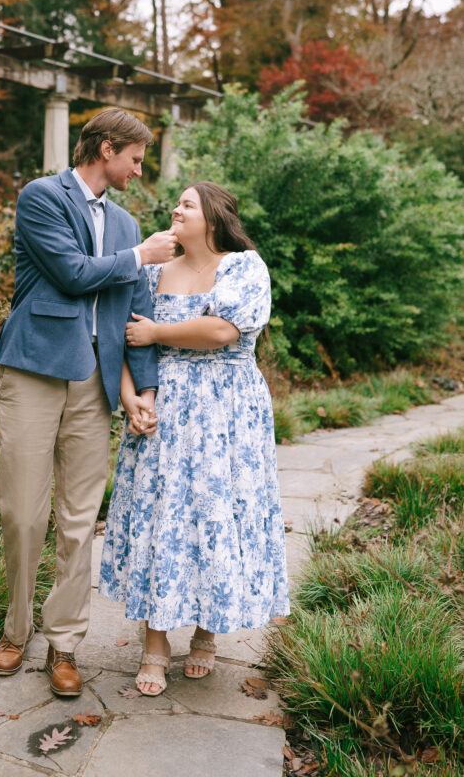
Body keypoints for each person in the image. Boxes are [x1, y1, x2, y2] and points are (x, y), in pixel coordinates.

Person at [0, 108, 176, 698]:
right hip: (35, 368)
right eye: (135, 159)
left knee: (79, 521)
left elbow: (132, 314)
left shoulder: (127, 226)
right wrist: (142, 257)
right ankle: (15, 627)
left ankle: (64, 644)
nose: (138, 171)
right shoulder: (42, 196)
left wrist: (143, 388)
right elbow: (72, 273)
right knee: (22, 510)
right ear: (104, 148)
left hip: (97, 382)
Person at [99, 181, 290, 695]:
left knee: (218, 513)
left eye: (186, 204)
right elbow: (122, 337)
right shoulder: (153, 272)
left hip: (229, 412)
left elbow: (224, 331)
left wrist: (159, 333)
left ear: (214, 214)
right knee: (164, 516)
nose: (175, 210)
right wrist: (130, 396)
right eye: (177, 203)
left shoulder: (245, 266)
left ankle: (206, 633)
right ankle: (155, 643)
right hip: (163, 406)